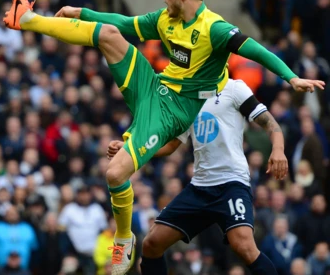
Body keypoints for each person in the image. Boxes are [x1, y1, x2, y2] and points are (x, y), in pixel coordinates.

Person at [2, 0, 324, 274]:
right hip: (154, 87)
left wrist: (290, 77)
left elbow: (255, 50)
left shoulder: (214, 29)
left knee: (115, 174)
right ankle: (27, 18)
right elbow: (126, 23)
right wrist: (82, 12)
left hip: (172, 113)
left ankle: (124, 237)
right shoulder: (167, 20)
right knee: (111, 34)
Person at [108, 78, 284, 274]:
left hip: (231, 183)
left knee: (244, 246)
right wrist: (130, 149)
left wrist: (278, 149)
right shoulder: (189, 95)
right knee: (151, 244)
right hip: (200, 187)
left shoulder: (234, 88)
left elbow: (269, 122)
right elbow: (171, 145)